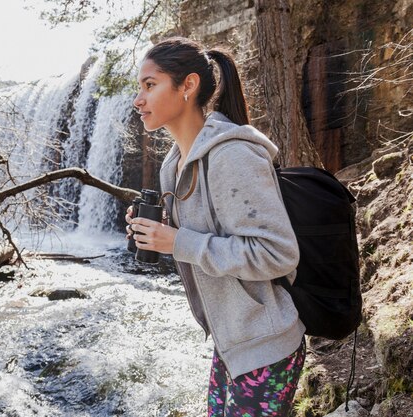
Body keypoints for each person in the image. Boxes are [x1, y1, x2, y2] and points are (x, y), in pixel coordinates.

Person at [125, 37, 306, 416]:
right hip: (230, 341)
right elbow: (197, 248)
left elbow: (278, 253)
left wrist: (179, 241)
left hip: (266, 342)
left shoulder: (232, 155)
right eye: (138, 88)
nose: (138, 100)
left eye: (149, 85)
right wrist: (157, 237)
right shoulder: (171, 166)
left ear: (188, 86)